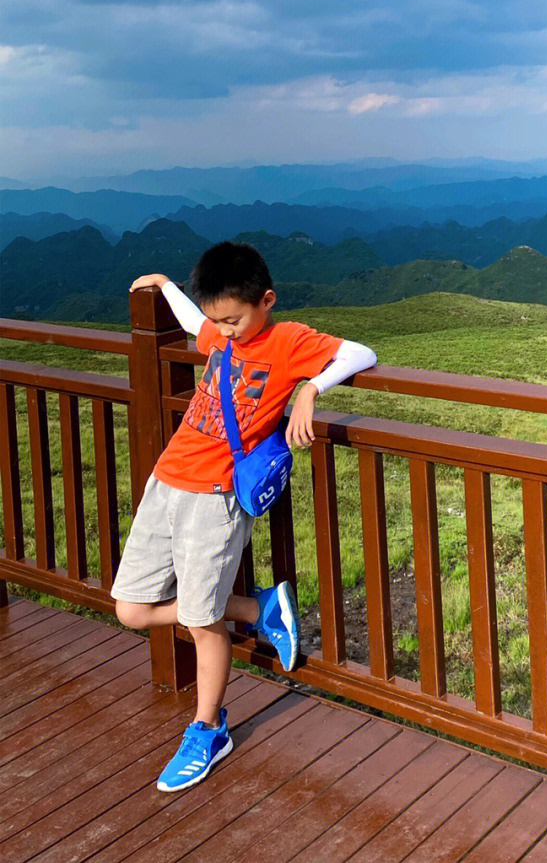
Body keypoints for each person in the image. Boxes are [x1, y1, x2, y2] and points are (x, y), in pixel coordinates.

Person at [115, 240, 376, 793]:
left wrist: (310, 386)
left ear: (267, 301)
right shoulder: (218, 327)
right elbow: (195, 326)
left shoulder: (286, 340)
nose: (224, 331)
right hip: (167, 481)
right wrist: (167, 287)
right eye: (219, 321)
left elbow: (360, 352)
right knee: (131, 609)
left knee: (202, 621)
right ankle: (256, 607)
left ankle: (208, 728)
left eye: (233, 320)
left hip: (216, 496)